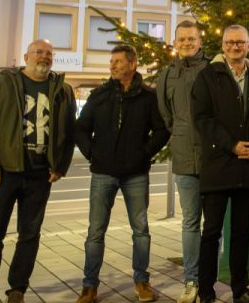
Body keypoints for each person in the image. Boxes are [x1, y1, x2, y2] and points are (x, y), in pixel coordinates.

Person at [0, 39, 76, 303]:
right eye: (39, 52)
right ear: (26, 56)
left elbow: (70, 131)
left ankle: (17, 288)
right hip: (4, 174)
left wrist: (60, 166)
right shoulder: (3, 84)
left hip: (41, 175)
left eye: (49, 53)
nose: (44, 57)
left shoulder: (63, 90)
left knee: (30, 235)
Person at [74, 44, 171, 303]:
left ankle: (142, 281)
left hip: (136, 173)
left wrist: (143, 153)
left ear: (132, 64)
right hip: (103, 172)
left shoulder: (148, 97)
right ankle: (89, 285)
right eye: (112, 61)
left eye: (118, 61)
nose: (113, 65)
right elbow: (81, 128)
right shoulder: (99, 95)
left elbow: (162, 131)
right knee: (95, 231)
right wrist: (92, 153)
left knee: (141, 230)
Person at [192, 25, 249, 303]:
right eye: (230, 42)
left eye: (240, 43)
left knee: (241, 232)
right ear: (223, 46)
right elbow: (202, 118)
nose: (235, 47)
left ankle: (240, 289)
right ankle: (206, 291)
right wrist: (231, 145)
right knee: (211, 231)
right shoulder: (207, 77)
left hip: (248, 165)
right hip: (218, 165)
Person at [157, 18, 209, 303]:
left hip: (213, 158)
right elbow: (165, 114)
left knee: (212, 223)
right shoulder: (167, 74)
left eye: (192, 39)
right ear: (175, 43)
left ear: (200, 41)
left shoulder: (213, 70)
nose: (187, 43)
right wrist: (178, 133)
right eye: (182, 39)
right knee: (190, 221)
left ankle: (208, 279)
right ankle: (191, 280)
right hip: (183, 157)